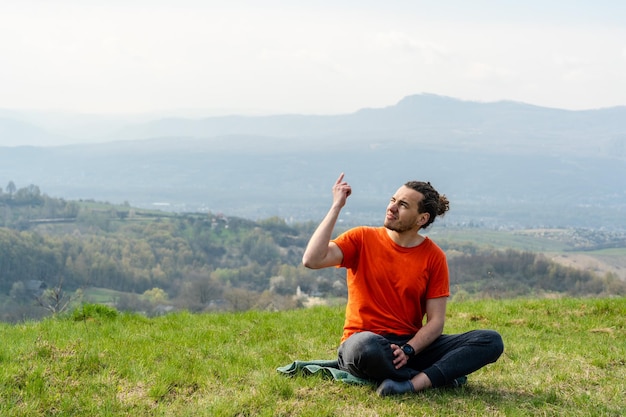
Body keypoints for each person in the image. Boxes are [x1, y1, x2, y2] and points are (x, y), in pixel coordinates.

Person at [302, 173, 504, 396]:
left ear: (421, 219)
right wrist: (336, 206)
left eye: (403, 205)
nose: (392, 207)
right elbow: (312, 260)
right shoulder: (361, 238)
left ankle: (410, 384)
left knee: (490, 340)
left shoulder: (434, 257)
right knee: (367, 347)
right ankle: (432, 377)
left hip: (410, 347)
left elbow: (436, 322)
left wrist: (409, 350)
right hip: (363, 342)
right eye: (392, 200)